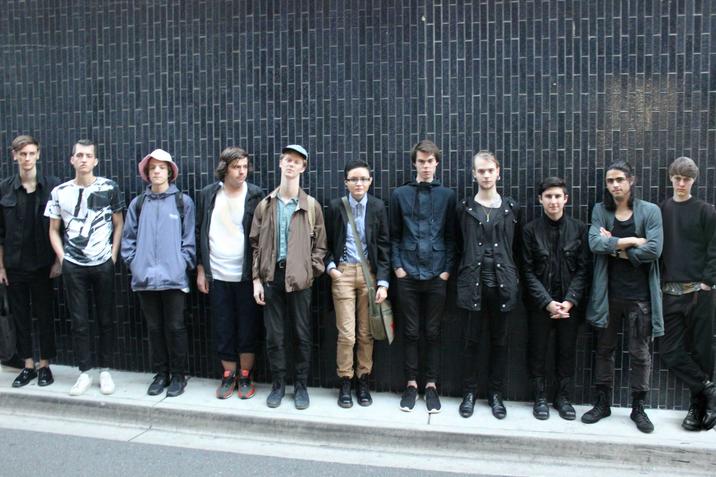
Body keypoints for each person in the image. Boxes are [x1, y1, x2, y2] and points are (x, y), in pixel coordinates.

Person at [581, 161, 663, 433]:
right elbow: (594, 243)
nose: (614, 185)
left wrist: (615, 246)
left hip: (640, 297)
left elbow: (654, 250)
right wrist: (632, 241)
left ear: (631, 180)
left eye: (619, 179)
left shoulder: (650, 211)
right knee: (604, 350)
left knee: (640, 353)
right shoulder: (600, 210)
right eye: (610, 181)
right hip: (608, 296)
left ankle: (638, 407)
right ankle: (603, 403)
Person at [45, 139, 125, 396]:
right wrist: (63, 258)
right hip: (74, 265)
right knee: (79, 320)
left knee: (106, 318)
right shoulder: (60, 192)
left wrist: (113, 255)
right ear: (72, 160)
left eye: (88, 155)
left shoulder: (109, 187)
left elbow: (119, 223)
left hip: (103, 263)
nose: (83, 159)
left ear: (95, 160)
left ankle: (105, 370)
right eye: (79, 155)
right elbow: (53, 229)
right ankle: (85, 372)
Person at [250, 145, 327, 410]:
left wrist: (309, 271)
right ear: (280, 164)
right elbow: (255, 245)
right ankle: (278, 385)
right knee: (275, 336)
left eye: (297, 161)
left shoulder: (311, 206)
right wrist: (256, 280)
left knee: (301, 335)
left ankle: (301, 386)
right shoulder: (265, 205)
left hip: (300, 279)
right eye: (287, 160)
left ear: (303, 167)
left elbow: (321, 247)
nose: (291, 165)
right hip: (272, 277)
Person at [121, 149, 195, 397]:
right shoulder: (138, 204)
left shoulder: (183, 202)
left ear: (170, 172)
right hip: (144, 279)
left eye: (162, 167)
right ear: (147, 172)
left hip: (174, 279)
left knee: (175, 327)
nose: (156, 171)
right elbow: (128, 238)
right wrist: (134, 263)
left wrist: (181, 263)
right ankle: (161, 374)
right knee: (154, 328)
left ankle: (179, 375)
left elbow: (189, 239)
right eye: (152, 167)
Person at [391, 139, 456, 413]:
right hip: (407, 273)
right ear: (414, 163)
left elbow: (452, 237)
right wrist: (398, 268)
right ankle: (410, 385)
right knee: (410, 331)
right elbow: (394, 235)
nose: (426, 166)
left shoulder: (448, 196)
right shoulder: (399, 194)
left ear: (437, 163)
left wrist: (446, 271)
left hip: (436, 274)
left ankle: (430, 385)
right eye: (421, 161)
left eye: (430, 161)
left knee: (432, 332)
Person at [455, 150, 521, 419]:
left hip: (502, 286)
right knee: (471, 341)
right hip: (473, 286)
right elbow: (457, 244)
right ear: (474, 174)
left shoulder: (511, 208)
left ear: (498, 173)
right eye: (480, 171)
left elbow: (516, 248)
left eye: (490, 170)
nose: (485, 175)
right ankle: (469, 393)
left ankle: (496, 395)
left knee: (500, 342)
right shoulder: (464, 208)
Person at [196, 147, 263, 400]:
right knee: (223, 326)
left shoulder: (255, 194)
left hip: (245, 274)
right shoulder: (208, 194)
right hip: (217, 273)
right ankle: (228, 375)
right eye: (236, 167)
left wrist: (257, 275)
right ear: (224, 168)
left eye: (245, 166)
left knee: (247, 327)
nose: (242, 171)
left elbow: (261, 236)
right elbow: (199, 230)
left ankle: (245, 376)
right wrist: (201, 269)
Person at [521, 177, 590, 420]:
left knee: (566, 351)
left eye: (558, 196)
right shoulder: (530, 230)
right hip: (540, 305)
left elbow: (583, 270)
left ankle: (563, 398)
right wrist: (547, 302)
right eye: (548, 196)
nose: (553, 201)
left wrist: (569, 301)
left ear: (566, 199)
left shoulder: (579, 229)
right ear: (540, 199)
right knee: (537, 351)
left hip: (569, 305)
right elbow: (526, 271)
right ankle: (539, 397)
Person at [325, 160, 390, 408]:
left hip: (369, 275)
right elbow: (325, 242)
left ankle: (363, 381)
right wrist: (331, 268)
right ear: (346, 182)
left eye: (363, 179)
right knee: (347, 334)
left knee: (366, 334)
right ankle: (345, 381)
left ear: (370, 181)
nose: (359, 183)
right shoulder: (336, 207)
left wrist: (383, 282)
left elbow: (384, 245)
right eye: (354, 179)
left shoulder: (378, 207)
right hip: (343, 273)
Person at [659, 157, 716, 431]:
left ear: (694, 181)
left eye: (687, 179)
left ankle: (698, 407)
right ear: (671, 178)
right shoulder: (662, 210)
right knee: (669, 351)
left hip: (699, 293)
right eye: (677, 178)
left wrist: (707, 282)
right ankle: (709, 389)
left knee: (702, 351)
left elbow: (714, 248)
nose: (681, 184)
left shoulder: (706, 211)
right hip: (670, 293)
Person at [0, 135, 60, 387]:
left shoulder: (52, 187)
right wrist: (1, 266)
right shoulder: (4, 189)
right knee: (20, 317)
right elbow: (0, 233)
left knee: (45, 315)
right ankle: (27, 365)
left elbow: (60, 227)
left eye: (31, 153)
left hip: (43, 264)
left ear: (38, 154)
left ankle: (45, 365)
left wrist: (58, 260)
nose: (27, 158)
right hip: (14, 265)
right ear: (14, 155)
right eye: (22, 154)